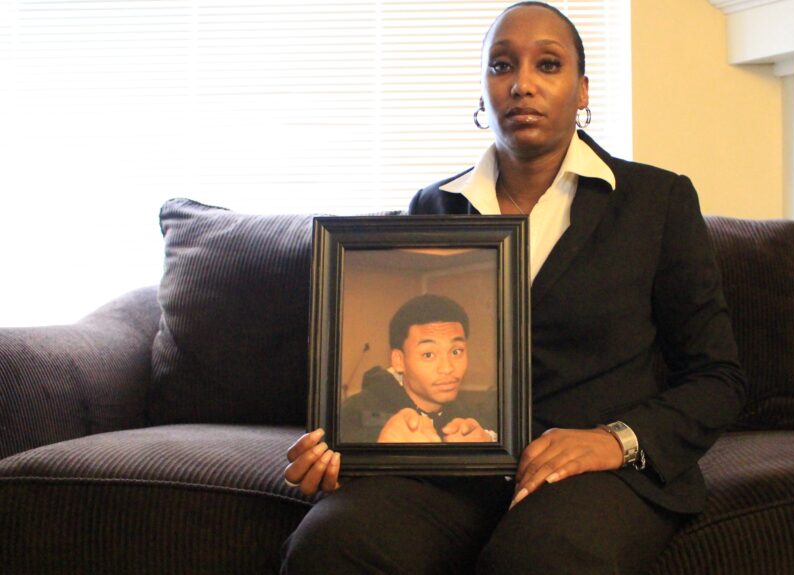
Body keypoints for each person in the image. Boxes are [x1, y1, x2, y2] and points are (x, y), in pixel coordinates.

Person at [281, 2, 747, 573]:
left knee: (538, 558)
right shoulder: (435, 208)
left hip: (596, 474)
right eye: (502, 66)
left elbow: (717, 377)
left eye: (547, 65)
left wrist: (614, 440)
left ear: (581, 89)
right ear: (483, 90)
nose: (522, 84)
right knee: (332, 542)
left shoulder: (656, 201)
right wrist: (347, 448)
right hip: (454, 471)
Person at [340, 294, 496, 443]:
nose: (447, 368)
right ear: (399, 360)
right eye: (428, 354)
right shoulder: (351, 415)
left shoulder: (467, 414)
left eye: (456, 352)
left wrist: (488, 442)